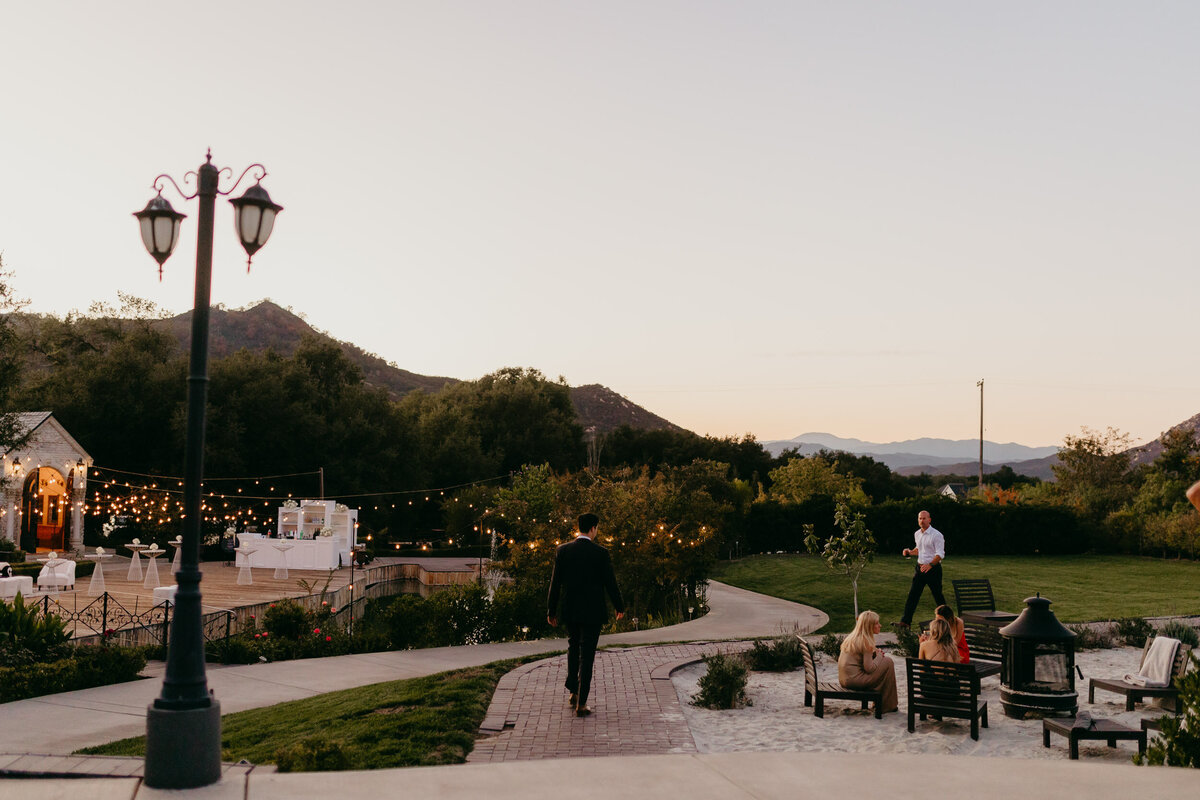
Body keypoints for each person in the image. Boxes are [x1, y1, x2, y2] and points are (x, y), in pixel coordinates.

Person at [547, 512, 625, 717]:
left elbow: (555, 583)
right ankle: (582, 703)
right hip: (593, 612)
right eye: (597, 528)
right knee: (587, 655)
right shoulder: (601, 553)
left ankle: (573, 692)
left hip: (570, 609)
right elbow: (611, 583)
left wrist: (551, 609)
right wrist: (619, 606)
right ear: (593, 528)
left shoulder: (562, 550)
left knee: (573, 648)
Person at [837, 609, 898, 713]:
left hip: (844, 680)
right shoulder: (866, 642)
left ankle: (885, 704)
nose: (880, 625)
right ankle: (887, 706)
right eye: (877, 623)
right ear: (869, 626)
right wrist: (879, 656)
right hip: (855, 681)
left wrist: (876, 655)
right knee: (888, 662)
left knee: (885, 663)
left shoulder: (853, 637)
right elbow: (869, 669)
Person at [898, 510, 946, 628]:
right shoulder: (917, 534)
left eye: (924, 518)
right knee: (913, 595)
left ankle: (948, 621)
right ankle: (905, 623)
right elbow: (919, 549)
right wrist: (909, 552)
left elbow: (940, 554)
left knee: (938, 597)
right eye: (920, 518)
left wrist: (930, 565)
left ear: (929, 520)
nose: (922, 521)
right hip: (919, 569)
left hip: (933, 570)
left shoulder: (937, 535)